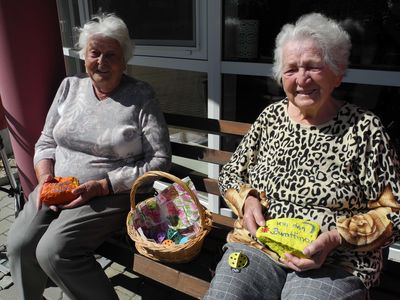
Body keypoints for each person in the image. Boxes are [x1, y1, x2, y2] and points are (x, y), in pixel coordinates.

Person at [204, 12, 400, 300]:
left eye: (313, 67)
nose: (301, 79)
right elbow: (233, 173)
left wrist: (336, 238)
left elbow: (393, 212)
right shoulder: (271, 117)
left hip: (336, 259)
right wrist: (248, 201)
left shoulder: (364, 128)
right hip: (259, 247)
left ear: (337, 72)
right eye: (291, 69)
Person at [7, 13, 171, 300]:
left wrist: (102, 185)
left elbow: (159, 160)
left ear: (124, 60)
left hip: (109, 195)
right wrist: (46, 179)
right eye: (95, 53)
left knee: (53, 251)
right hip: (56, 187)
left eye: (111, 55)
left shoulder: (141, 96)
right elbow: (46, 141)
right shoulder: (69, 87)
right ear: (84, 55)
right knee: (19, 244)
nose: (102, 62)